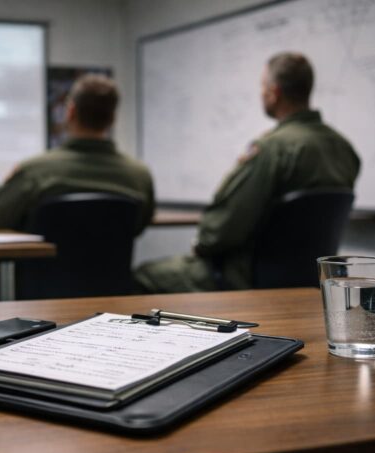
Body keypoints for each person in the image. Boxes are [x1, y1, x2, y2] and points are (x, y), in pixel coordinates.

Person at [135, 52, 360, 293]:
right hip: (310, 279)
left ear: (274, 92)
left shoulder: (272, 149)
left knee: (143, 276)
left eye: (262, 87)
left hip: (244, 278)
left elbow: (225, 226)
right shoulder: (345, 149)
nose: (261, 93)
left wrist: (202, 243)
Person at [0, 74, 155, 236]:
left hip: (41, 271)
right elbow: (138, 228)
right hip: (113, 271)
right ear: (112, 119)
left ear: (70, 112)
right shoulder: (139, 176)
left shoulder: (34, 171)